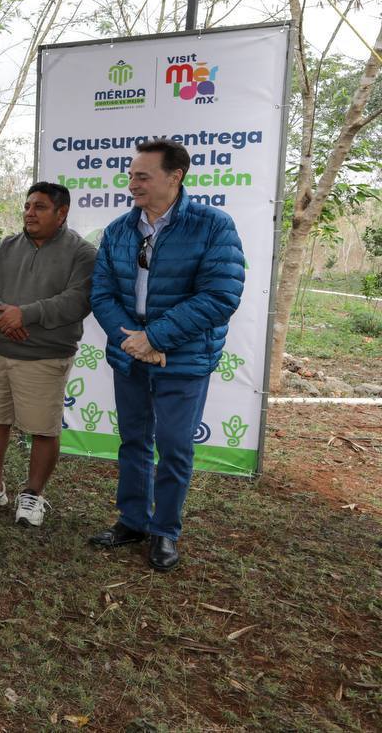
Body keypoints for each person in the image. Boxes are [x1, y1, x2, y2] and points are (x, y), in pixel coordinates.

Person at [87, 139, 244, 572]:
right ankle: (133, 521)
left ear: (175, 177)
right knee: (134, 441)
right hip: (131, 355)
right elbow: (101, 293)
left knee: (174, 446)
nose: (132, 183)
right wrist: (133, 341)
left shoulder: (213, 226)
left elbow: (221, 295)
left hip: (183, 358)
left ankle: (165, 531)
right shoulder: (119, 230)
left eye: (143, 176)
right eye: (131, 175)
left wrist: (155, 339)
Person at [0, 182, 97, 527]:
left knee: (42, 429)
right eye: (27, 206)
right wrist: (2, 315)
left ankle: (34, 494)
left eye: (39, 207)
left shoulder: (82, 253)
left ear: (61, 213)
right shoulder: (7, 245)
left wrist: (25, 314)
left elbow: (78, 300)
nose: (29, 213)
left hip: (45, 357)